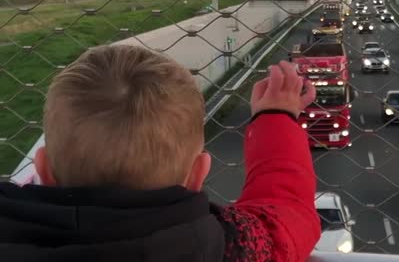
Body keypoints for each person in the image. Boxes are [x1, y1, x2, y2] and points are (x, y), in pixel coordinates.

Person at [0, 45, 320, 262]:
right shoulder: (229, 246)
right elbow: (287, 212)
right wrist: (276, 116)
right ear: (197, 173)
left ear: (42, 168)